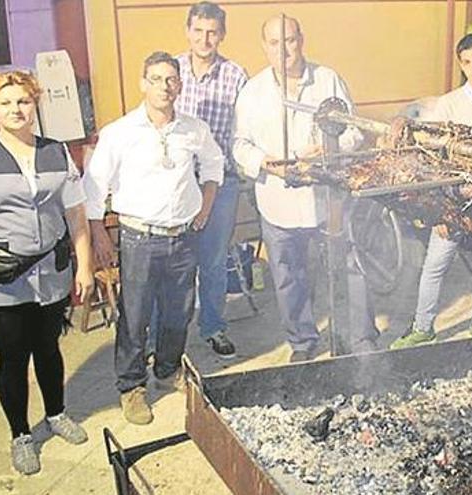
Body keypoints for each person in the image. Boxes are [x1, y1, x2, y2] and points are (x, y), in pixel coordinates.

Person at [0, 70, 93, 475]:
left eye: (24, 101)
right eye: (7, 102)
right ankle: (20, 435)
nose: (17, 109)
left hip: (52, 272)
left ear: (35, 106)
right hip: (4, 279)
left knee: (49, 349)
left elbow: (76, 214)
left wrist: (84, 266)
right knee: (13, 358)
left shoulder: (56, 151)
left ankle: (56, 413)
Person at [84, 52, 224, 424]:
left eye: (172, 79)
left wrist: (206, 207)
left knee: (179, 312)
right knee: (135, 316)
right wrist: (99, 234)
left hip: (183, 237)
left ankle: (166, 369)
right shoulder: (120, 132)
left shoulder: (194, 128)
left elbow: (214, 165)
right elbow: (94, 186)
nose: (165, 86)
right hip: (139, 239)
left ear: (180, 84)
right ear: (143, 83)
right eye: (157, 78)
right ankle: (131, 387)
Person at [234, 15, 378, 362]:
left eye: (290, 40)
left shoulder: (327, 80)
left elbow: (355, 131)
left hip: (326, 200)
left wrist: (328, 150)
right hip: (278, 200)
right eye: (274, 42)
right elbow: (239, 145)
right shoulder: (252, 91)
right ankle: (302, 342)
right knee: (287, 276)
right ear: (264, 46)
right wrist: (267, 161)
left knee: (350, 266)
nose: (283, 49)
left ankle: (362, 339)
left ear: (302, 40)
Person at [390, 33, 472, 350]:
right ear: (461, 65)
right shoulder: (448, 103)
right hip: (454, 199)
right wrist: (437, 208)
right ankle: (423, 326)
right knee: (436, 263)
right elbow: (434, 158)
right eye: (467, 62)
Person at [149, 1, 248, 358]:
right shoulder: (171, 73)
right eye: (199, 31)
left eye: (213, 32)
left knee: (213, 261)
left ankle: (214, 328)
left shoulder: (237, 76)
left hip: (220, 184)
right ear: (188, 31)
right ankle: (159, 338)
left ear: (222, 34)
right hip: (176, 184)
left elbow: (243, 132)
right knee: (169, 263)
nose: (205, 38)